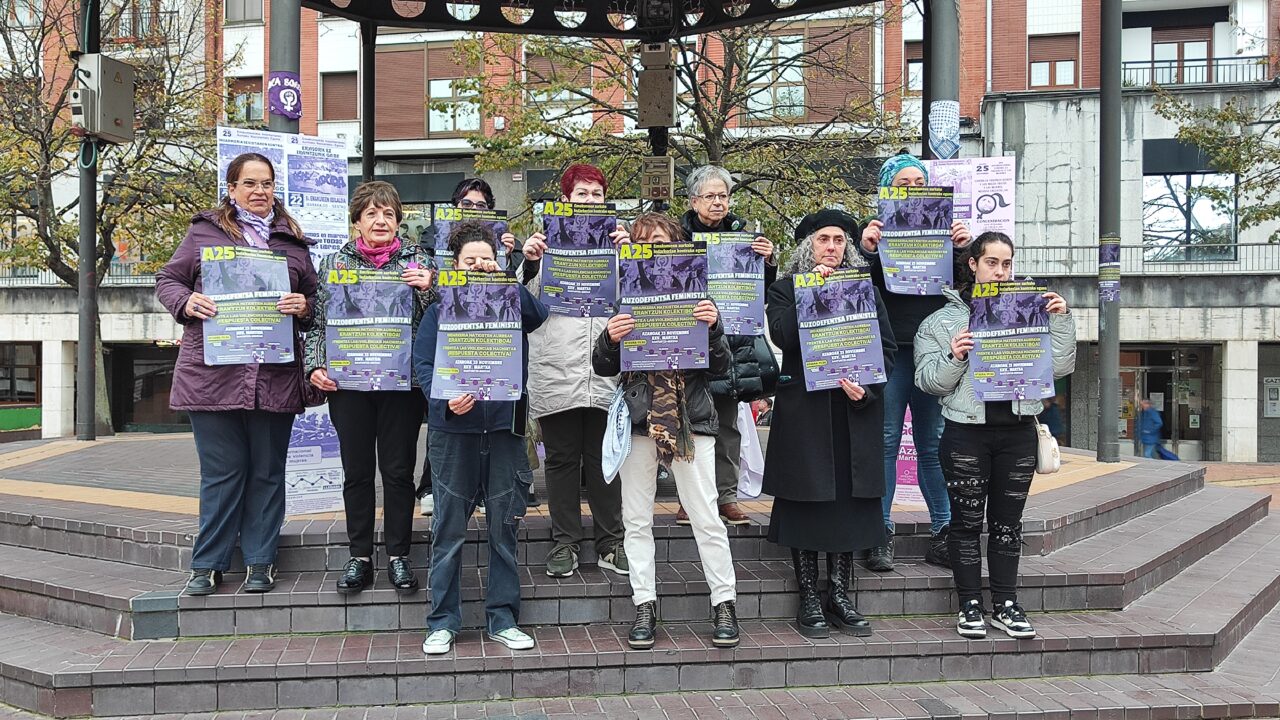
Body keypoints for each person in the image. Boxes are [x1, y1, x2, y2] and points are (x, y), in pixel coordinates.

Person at [155, 152, 317, 595]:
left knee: (267, 472)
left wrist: (304, 307)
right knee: (223, 473)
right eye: (250, 183)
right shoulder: (203, 233)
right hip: (212, 377)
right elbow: (168, 281)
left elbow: (313, 303)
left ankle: (261, 562)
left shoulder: (293, 244)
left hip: (275, 377)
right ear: (231, 188)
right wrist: (186, 302)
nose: (260, 191)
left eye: (266, 184)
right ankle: (207, 564)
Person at [914, 231, 1077, 640]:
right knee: (966, 523)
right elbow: (928, 382)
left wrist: (1061, 320)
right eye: (992, 262)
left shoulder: (1031, 311)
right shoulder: (942, 321)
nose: (1000, 271)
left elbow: (1059, 368)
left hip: (1018, 433)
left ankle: (1006, 603)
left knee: (1008, 524)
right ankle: (970, 604)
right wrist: (955, 355)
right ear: (973, 264)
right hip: (966, 434)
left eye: (1007, 264)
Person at [592, 212, 740, 650]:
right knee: (635, 519)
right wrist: (610, 339)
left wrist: (713, 328)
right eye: (641, 242)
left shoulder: (700, 296)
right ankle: (644, 603)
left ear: (678, 244)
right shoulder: (624, 296)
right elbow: (603, 366)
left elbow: (722, 366)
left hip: (690, 418)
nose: (651, 249)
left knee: (705, 515)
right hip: (639, 420)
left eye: (659, 240)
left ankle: (725, 602)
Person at [413, 220, 549, 656]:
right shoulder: (439, 312)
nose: (478, 267)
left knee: (503, 527)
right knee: (448, 530)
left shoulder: (511, 304)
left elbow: (539, 315)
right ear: (452, 267)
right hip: (454, 434)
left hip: (505, 430)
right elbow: (423, 367)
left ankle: (503, 618)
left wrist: (505, 279)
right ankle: (442, 621)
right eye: (469, 261)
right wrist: (445, 401)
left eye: (485, 260)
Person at [763, 210, 897, 639]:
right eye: (824, 239)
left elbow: (888, 351)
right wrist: (812, 294)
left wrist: (869, 391)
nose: (833, 247)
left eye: (840, 240)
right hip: (807, 412)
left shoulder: (867, 291)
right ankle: (808, 597)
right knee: (808, 502)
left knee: (847, 505)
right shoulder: (786, 289)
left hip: (853, 411)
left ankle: (839, 594)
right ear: (808, 246)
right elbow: (783, 336)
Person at [303, 181, 436, 595]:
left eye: (389, 214)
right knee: (356, 473)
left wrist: (429, 288)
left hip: (403, 386)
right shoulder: (332, 265)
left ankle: (398, 555)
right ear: (357, 221)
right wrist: (316, 367)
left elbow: (441, 322)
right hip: (350, 386)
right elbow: (318, 325)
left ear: (399, 222)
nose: (381, 221)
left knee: (398, 473)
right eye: (372, 214)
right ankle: (359, 556)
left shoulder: (419, 261)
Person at [859, 152, 973, 571]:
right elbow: (856, 292)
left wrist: (963, 250)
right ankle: (880, 533)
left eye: (918, 181)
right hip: (891, 351)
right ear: (888, 188)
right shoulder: (873, 231)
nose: (911, 188)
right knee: (887, 440)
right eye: (902, 182)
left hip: (934, 351)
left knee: (932, 443)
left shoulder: (947, 231)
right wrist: (868, 251)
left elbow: (966, 290)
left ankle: (943, 532)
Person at [518, 164, 631, 578]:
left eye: (595, 194)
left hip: (605, 368)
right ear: (565, 200)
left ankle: (611, 542)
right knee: (562, 461)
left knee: (606, 459)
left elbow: (640, 299)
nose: (588, 201)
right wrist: (529, 264)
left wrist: (629, 256)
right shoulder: (543, 245)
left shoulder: (621, 245)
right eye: (580, 194)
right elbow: (522, 305)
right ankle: (564, 542)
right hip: (557, 366)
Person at [678, 165, 778, 527]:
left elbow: (761, 294)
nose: (718, 202)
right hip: (687, 339)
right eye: (710, 196)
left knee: (727, 425)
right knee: (687, 423)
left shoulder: (745, 238)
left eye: (723, 196)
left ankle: (726, 496)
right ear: (693, 201)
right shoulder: (677, 237)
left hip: (731, 343)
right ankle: (689, 499)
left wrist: (767, 262)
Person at [417, 178, 525, 517]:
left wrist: (502, 278)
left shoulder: (508, 254)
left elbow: (536, 314)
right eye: (467, 205)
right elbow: (424, 360)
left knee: (500, 503)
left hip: (499, 407)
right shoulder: (431, 246)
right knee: (449, 508)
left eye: (482, 205)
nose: (474, 211)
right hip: (454, 396)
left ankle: (484, 494)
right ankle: (430, 487)